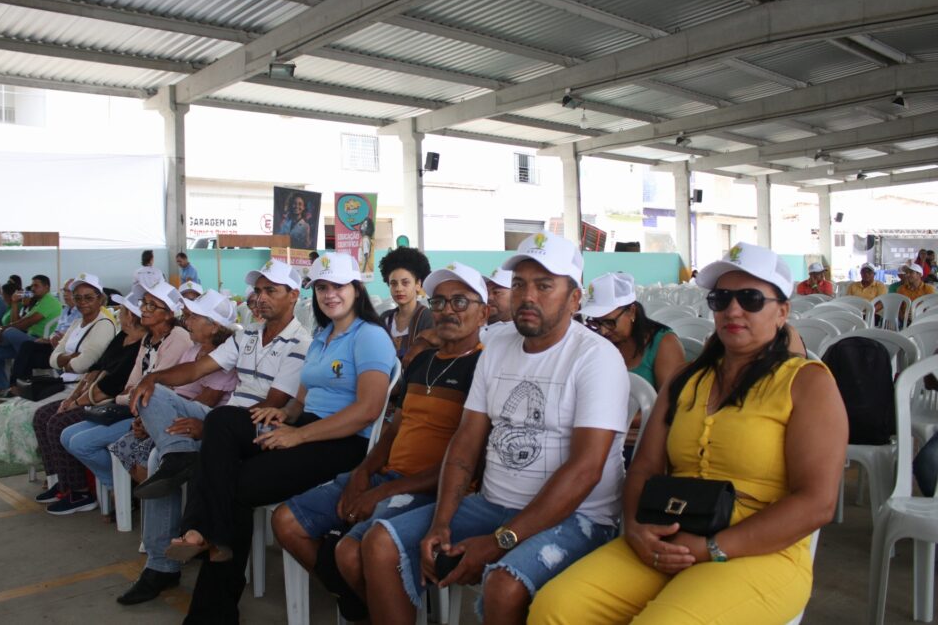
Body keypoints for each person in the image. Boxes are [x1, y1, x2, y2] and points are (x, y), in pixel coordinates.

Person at [528, 242, 848, 625]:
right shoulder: (686, 380)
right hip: (668, 535)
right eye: (721, 299)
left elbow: (817, 502)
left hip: (762, 551)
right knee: (554, 608)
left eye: (750, 299)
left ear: (782, 311)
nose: (733, 310)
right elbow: (644, 468)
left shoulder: (807, 384)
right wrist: (636, 530)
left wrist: (711, 547)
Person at [361, 231, 629, 624]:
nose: (527, 296)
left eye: (544, 285)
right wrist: (441, 521)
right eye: (519, 284)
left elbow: (585, 470)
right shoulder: (498, 347)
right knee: (380, 543)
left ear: (575, 299)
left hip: (577, 515)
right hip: (490, 504)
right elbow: (466, 442)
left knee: (503, 585)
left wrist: (500, 541)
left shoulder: (595, 358)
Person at [165, 253, 396, 624]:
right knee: (222, 420)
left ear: (357, 289)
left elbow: (368, 410)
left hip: (344, 441)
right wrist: (285, 415)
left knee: (232, 485)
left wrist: (299, 435)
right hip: (307, 425)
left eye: (338, 285)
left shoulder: (369, 336)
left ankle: (211, 589)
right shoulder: (323, 337)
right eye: (322, 287)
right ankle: (212, 540)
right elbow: (302, 398)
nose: (330, 294)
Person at [273, 262, 488, 621]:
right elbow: (394, 428)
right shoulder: (422, 362)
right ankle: (369, 607)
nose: (447, 311)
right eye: (438, 302)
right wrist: (363, 473)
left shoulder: (485, 368)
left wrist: (384, 491)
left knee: (350, 552)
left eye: (461, 302)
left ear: (484, 312)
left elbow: (469, 462)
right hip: (388, 474)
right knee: (286, 521)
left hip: (438, 488)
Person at [117, 261, 311, 605]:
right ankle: (179, 455)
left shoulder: (300, 342)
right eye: (259, 290)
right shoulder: (247, 335)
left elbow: (273, 404)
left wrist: (209, 429)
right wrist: (153, 377)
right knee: (153, 394)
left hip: (256, 427)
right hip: (223, 419)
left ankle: (161, 565)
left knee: (160, 457)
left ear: (293, 295)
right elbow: (197, 369)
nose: (261, 298)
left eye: (271, 290)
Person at [32, 282, 190, 515]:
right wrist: (128, 395)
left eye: (151, 305)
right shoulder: (148, 339)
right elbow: (131, 384)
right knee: (67, 434)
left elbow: (153, 387)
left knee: (81, 442)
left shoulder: (178, 338)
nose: (143, 309)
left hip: (150, 412)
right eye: (143, 303)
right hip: (133, 408)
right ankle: (117, 486)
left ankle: (120, 490)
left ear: (168, 313)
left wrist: (127, 396)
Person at [0, 276, 119, 466]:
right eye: (78, 297)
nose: (82, 302)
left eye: (89, 297)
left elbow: (82, 364)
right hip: (63, 382)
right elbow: (53, 359)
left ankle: (55, 473)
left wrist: (65, 359)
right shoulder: (77, 323)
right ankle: (51, 471)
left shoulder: (103, 324)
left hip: (80, 387)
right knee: (5, 410)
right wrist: (69, 358)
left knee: (30, 415)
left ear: (100, 299)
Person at [577, 272, 686, 462]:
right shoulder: (597, 343)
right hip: (596, 436)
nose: (603, 330)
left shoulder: (664, 344)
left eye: (609, 322)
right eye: (596, 322)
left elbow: (672, 407)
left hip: (642, 444)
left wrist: (610, 419)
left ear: (632, 311)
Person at [0, 275, 63, 392]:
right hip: (26, 341)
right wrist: (14, 303)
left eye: (36, 286)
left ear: (46, 287)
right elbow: (16, 322)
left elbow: (25, 323)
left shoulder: (49, 301)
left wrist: (1, 330)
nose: (33, 288)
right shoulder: (38, 303)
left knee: (9, 332)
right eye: (32, 286)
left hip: (39, 343)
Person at [5, 279, 82, 397]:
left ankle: (18, 386)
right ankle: (21, 387)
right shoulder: (65, 309)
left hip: (65, 349)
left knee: (21, 345)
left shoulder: (80, 311)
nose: (65, 294)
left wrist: (60, 339)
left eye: (68, 291)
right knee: (26, 349)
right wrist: (48, 339)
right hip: (52, 344)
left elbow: (24, 323)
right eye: (64, 291)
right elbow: (56, 331)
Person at [378, 246, 434, 363]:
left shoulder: (427, 317)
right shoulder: (385, 318)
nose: (399, 288)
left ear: (418, 284)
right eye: (393, 284)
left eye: (405, 283)